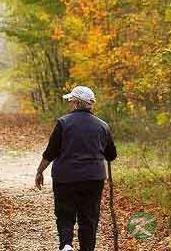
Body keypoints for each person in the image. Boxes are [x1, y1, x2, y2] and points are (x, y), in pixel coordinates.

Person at [35, 86, 117, 251]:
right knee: (89, 217)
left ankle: (66, 245)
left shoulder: (63, 123)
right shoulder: (102, 126)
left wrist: (40, 171)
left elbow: (50, 152)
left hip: (65, 178)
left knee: (65, 214)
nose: (69, 103)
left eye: (71, 100)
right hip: (93, 179)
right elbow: (111, 155)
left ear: (76, 102)